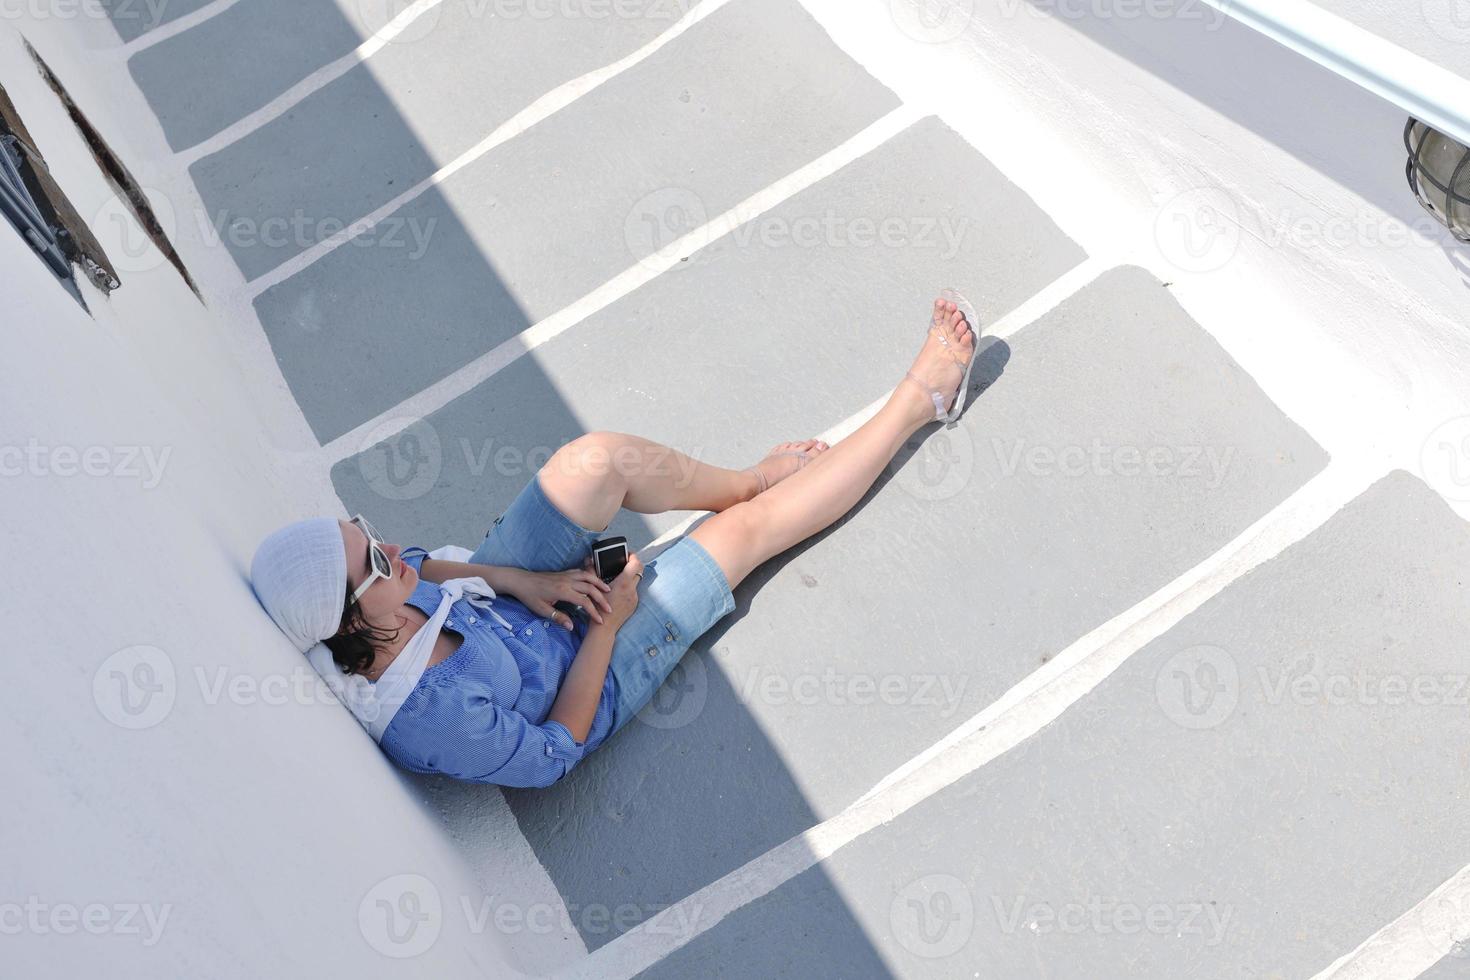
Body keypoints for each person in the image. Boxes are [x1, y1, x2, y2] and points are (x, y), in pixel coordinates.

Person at [250, 296, 977, 788]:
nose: (391, 549)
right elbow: (554, 753)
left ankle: (749, 476)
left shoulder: (369, 603)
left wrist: (520, 581)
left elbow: (419, 565)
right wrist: (608, 626)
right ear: (349, 622)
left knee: (595, 461)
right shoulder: (430, 720)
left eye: (368, 533)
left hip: (512, 601)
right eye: (373, 559)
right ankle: (923, 398)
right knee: (747, 538)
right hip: (586, 674)